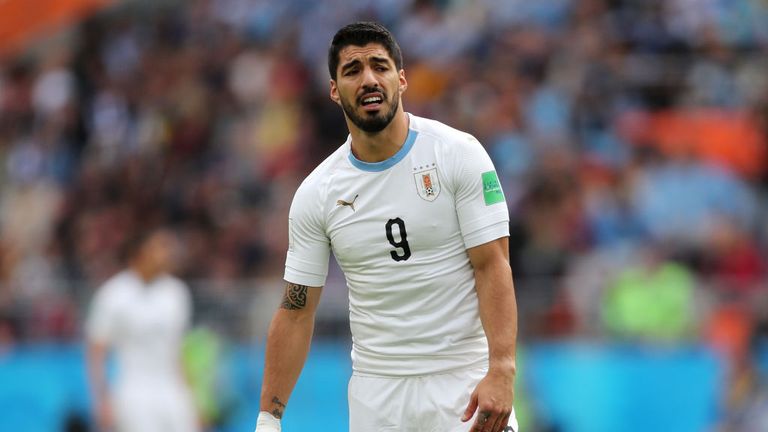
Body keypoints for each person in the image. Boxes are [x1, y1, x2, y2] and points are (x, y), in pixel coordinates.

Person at [255, 21, 519, 432]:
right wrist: (268, 419)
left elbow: (493, 264)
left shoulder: (458, 154)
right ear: (333, 90)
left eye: (379, 66)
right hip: (377, 397)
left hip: (462, 383)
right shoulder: (317, 194)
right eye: (352, 70)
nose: (368, 79)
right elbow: (295, 310)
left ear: (401, 79)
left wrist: (501, 369)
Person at [85, 228, 199, 432]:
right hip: (134, 390)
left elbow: (179, 350)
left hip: (173, 389)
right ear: (140, 252)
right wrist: (101, 399)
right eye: (159, 247)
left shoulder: (176, 293)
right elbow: (97, 350)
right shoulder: (114, 294)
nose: (166, 254)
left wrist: (192, 397)